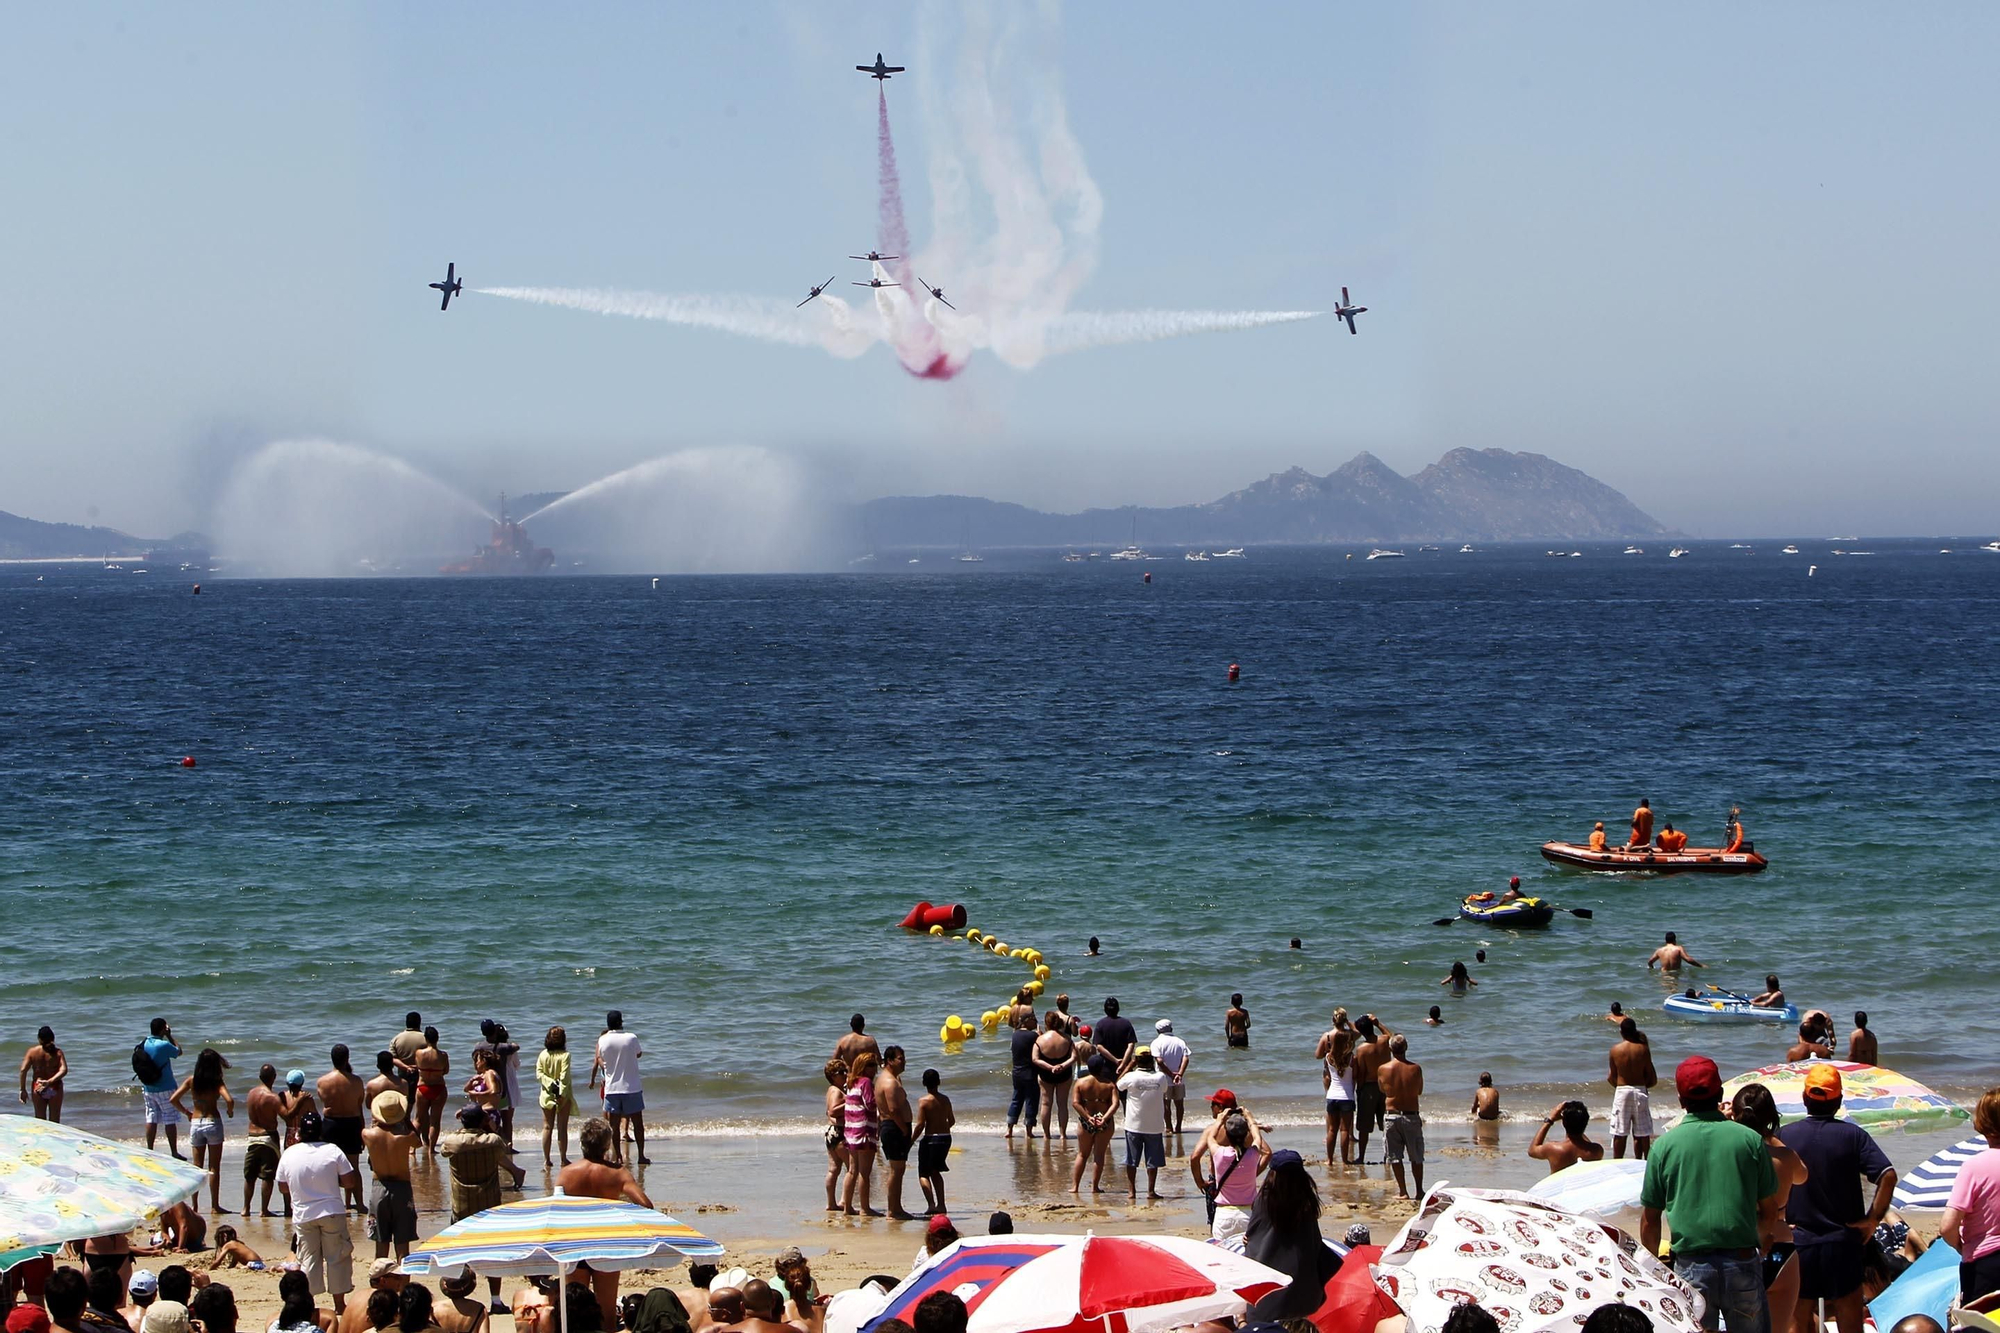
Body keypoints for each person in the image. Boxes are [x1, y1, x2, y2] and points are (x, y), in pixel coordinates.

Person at [1640, 1056, 1780, 1333]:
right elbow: (1769, 1209)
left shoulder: (1664, 1147)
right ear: (1720, 1094)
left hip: (1691, 1266)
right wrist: (1761, 1240)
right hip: (1741, 1261)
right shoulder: (1750, 1140)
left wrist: (1654, 1268)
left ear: (1681, 1100)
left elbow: (1650, 1219)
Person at [1777, 1065, 1896, 1333]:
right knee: (1849, 1317)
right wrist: (1872, 1220)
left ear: (1805, 1098)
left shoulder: (1785, 1136)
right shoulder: (1854, 1136)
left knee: (1798, 1319)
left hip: (1800, 1241)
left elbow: (1766, 1181)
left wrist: (1778, 1219)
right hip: (1843, 1242)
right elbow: (1887, 1176)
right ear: (1839, 1101)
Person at [556, 1118, 652, 1327]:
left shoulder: (566, 1174)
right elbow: (646, 1206)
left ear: (582, 1143)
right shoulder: (617, 1173)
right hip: (606, 1246)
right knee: (607, 1313)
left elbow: (556, 1211)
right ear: (607, 1145)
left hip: (574, 1246)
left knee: (574, 1311)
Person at [1729, 1082, 1806, 1324]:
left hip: (1740, 1247)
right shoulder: (1784, 1157)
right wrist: (1771, 1136)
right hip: (1781, 1247)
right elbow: (1803, 1176)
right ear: (1771, 1118)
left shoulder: (1729, 1154)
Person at [274, 1112, 359, 1315]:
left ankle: (309, 1303)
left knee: (309, 1260)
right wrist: (331, 1181)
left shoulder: (289, 1153)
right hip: (331, 1211)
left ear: (300, 1132)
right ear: (321, 1130)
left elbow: (282, 1188)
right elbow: (350, 1182)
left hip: (304, 1214)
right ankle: (339, 1304)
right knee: (336, 1257)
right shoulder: (332, 1150)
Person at [1244, 1150, 1340, 1321]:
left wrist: (1247, 1241)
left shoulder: (1264, 1201)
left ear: (1273, 1175)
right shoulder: (1307, 1204)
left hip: (1268, 1298)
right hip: (1306, 1296)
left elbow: (1253, 1244)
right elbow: (1315, 1245)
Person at [1942, 1086, 2000, 1303]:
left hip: (1985, 1263)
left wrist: (1960, 1245)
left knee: (1981, 1324)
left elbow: (1948, 1226)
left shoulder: (1974, 1167)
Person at [169, 1049, 234, 1214]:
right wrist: (230, 1111)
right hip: (213, 1122)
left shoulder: (192, 1081)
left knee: (197, 1167)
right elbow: (229, 1099)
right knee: (214, 1167)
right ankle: (214, 1206)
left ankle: (195, 1205)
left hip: (196, 1123)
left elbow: (173, 1099)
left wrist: (187, 1113)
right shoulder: (217, 1082)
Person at [1190, 1110, 1267, 1242]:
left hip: (1224, 1214)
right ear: (1246, 1133)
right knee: (1248, 1257)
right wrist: (1249, 1117)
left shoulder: (1220, 1153)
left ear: (1226, 1133)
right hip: (1247, 1214)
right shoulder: (1253, 1154)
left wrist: (1220, 1119)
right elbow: (1257, 1137)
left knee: (1223, 1256)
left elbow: (1210, 1137)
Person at [360, 1092, 419, 1263]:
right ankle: (404, 1287)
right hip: (402, 1188)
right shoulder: (406, 1137)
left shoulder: (367, 1135)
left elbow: (369, 1129)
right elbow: (419, 1143)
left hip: (379, 1187)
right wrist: (406, 1121)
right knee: (403, 1248)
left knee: (381, 1246)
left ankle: (382, 1285)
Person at [315, 1048, 367, 1214]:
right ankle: (358, 1204)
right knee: (353, 1167)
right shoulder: (357, 1081)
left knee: (330, 1167)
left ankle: (335, 1203)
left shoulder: (322, 1082)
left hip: (331, 1125)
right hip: (352, 1124)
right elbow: (359, 1106)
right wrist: (362, 1130)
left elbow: (323, 1100)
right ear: (347, 1058)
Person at [593, 1011, 648, 1167]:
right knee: (638, 1123)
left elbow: (600, 1057)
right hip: (632, 1086)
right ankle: (641, 1155)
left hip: (612, 1087)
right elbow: (638, 1054)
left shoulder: (603, 1040)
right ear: (621, 1022)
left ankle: (618, 1156)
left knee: (614, 1125)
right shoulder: (631, 1037)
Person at [1116, 1047, 1170, 1200]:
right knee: (1152, 1161)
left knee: (1132, 1160)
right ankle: (1151, 1191)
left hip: (1134, 1124)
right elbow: (1164, 1090)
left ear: (1136, 1060)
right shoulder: (1160, 1077)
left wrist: (1128, 1065)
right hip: (1155, 1125)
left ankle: (1132, 1191)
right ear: (1152, 1059)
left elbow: (1118, 1084)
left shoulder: (1131, 1076)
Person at [1379, 1034, 1425, 1199]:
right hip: (1411, 1116)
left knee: (1395, 1156)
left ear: (1390, 1049)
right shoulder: (1416, 1068)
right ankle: (1419, 1190)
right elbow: (1419, 1090)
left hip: (1392, 1115)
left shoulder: (1383, 1069)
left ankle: (1403, 1191)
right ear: (1406, 1048)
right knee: (1416, 1156)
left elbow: (1383, 1089)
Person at [1609, 1016, 1658, 1159]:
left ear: (1621, 1032)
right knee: (1642, 1133)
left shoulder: (1615, 1050)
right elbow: (1650, 1075)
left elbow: (1611, 1076)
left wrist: (1618, 1086)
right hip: (1639, 1090)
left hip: (1622, 1091)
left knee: (1620, 1132)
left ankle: (1617, 1162)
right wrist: (1643, 1086)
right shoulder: (1643, 1049)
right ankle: (1644, 1163)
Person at [876, 1046, 916, 1220]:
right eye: (901, 1058)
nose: (904, 1061)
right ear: (890, 1061)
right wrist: (904, 1129)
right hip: (894, 1128)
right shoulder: (890, 1082)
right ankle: (893, 1210)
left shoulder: (891, 1079)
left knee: (897, 1169)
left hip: (893, 1127)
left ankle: (896, 1207)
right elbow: (892, 1109)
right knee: (896, 1169)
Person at [239, 1066, 284, 1218]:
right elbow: (288, 1115)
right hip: (268, 1137)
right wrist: (300, 1101)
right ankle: (264, 1210)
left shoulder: (251, 1093)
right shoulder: (273, 1097)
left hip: (252, 1137)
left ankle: (245, 1208)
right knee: (267, 1176)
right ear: (274, 1077)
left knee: (249, 1176)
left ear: (259, 1076)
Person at [908, 1067, 954, 1217]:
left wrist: (911, 1140)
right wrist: (942, 1129)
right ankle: (942, 1204)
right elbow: (952, 1121)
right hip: (945, 1138)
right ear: (939, 1082)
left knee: (923, 1173)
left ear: (923, 1083)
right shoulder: (945, 1099)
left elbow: (920, 1125)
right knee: (936, 1171)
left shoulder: (923, 1101)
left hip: (931, 1140)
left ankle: (931, 1205)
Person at [841, 1051, 882, 1217]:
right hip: (864, 1129)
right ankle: (865, 1208)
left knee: (852, 1170)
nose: (875, 1069)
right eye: (871, 1065)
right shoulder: (865, 1082)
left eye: (875, 1065)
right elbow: (871, 1104)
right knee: (865, 1172)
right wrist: (881, 1097)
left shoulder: (851, 1083)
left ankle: (847, 1206)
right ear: (863, 1067)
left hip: (851, 1130)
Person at [138, 1019, 185, 1158]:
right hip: (165, 1087)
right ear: (163, 1029)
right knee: (169, 1119)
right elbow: (179, 1052)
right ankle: (174, 1152)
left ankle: (150, 1149)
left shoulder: (144, 1043)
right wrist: (170, 1036)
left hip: (148, 1087)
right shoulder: (163, 1045)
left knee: (151, 1118)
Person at [1069, 1055, 1115, 1195]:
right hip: (1104, 1121)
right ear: (1102, 1067)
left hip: (1086, 1121)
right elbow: (1115, 1104)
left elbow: (1075, 1103)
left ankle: (1075, 1186)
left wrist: (1088, 1117)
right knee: (1099, 1155)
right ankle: (1094, 1187)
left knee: (1082, 1154)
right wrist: (1105, 1118)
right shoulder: (1109, 1084)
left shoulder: (1080, 1083)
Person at [537, 1027, 579, 1168]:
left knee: (547, 1127)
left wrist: (550, 1083)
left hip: (546, 1094)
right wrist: (561, 1093)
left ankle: (547, 1159)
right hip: (563, 1094)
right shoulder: (565, 1055)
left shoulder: (543, 1054)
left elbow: (539, 1074)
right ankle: (563, 1158)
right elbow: (564, 1076)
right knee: (562, 1128)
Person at [1318, 1022, 1358, 1166]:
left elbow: (1328, 1075)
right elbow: (1356, 1076)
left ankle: (1329, 1160)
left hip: (1331, 1096)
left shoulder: (1329, 1057)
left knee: (1331, 1130)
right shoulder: (1352, 1058)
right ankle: (1345, 1160)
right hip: (1347, 1097)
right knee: (1345, 1130)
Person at [1352, 1015, 1390, 1166]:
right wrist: (1378, 1023)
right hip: (1385, 1086)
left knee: (1364, 1127)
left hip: (1368, 1087)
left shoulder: (1361, 1049)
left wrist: (1358, 1089)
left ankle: (1361, 1157)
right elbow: (1393, 1037)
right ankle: (1388, 1156)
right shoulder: (1385, 1040)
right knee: (1386, 1125)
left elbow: (1361, 1073)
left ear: (1361, 1032)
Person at [1031, 1013, 1072, 1142]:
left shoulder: (1040, 1040)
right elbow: (1074, 1057)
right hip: (1064, 1073)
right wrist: (1062, 1066)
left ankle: (1046, 1134)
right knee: (1062, 1104)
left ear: (1046, 1023)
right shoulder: (1066, 1039)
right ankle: (1063, 1134)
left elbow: (1035, 1059)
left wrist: (1050, 1067)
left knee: (1046, 1103)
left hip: (1045, 1074)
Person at [1530, 1100, 1603, 1173]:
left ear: (1563, 1123)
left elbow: (1532, 1150)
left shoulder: (1554, 1149)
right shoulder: (1596, 1150)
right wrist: (1578, 1123)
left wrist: (1550, 1119)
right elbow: (1581, 1137)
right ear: (1586, 1122)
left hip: (1561, 1184)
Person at [1149, 1020, 1191, 1134]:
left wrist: (1171, 1075)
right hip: (1179, 1079)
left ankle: (1168, 1127)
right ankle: (1178, 1127)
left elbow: (1159, 1061)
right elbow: (1185, 1058)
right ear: (1171, 1029)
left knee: (1165, 1104)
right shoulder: (1180, 1041)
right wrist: (1179, 1074)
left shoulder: (1156, 1043)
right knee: (1179, 1104)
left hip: (1163, 1078)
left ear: (1158, 1031)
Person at [411, 1028, 448, 1153]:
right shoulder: (443, 1055)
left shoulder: (419, 1053)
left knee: (418, 1119)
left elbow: (417, 1067)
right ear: (437, 1038)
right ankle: (431, 1149)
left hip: (423, 1087)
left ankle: (412, 1148)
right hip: (438, 1087)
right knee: (435, 1121)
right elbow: (446, 1071)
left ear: (426, 1039)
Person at [820, 1057, 849, 1213]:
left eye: (846, 1071)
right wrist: (851, 1100)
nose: (845, 1075)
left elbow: (829, 1112)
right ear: (832, 1076)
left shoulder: (833, 1090)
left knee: (834, 1169)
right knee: (851, 1168)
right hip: (839, 1132)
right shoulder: (836, 1091)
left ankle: (831, 1202)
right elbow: (833, 1110)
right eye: (841, 1072)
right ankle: (844, 1201)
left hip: (832, 1132)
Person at [20, 1026, 67, 1121]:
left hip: (38, 1086)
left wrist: (22, 1089)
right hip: (54, 1087)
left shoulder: (32, 1052)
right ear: (53, 1038)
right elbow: (64, 1070)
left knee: (40, 1121)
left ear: (39, 1039)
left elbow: (23, 1070)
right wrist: (49, 1082)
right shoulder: (58, 1053)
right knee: (55, 1121)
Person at [1003, 1014, 1038, 1143]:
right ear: (1027, 1021)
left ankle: (1009, 1129)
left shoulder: (1015, 1034)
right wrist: (1040, 1034)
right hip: (1029, 1072)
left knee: (1016, 1099)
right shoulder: (1033, 1036)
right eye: (1034, 1020)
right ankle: (1028, 1131)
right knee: (1031, 1100)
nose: (1036, 1022)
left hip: (1017, 1072)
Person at [1091, 999, 1136, 1066]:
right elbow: (1131, 1045)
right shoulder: (1126, 1023)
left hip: (1106, 1065)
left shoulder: (1100, 1024)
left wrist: (1115, 1060)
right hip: (1125, 1065)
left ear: (1105, 1010)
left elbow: (1099, 1047)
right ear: (1118, 1009)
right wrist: (1123, 1063)